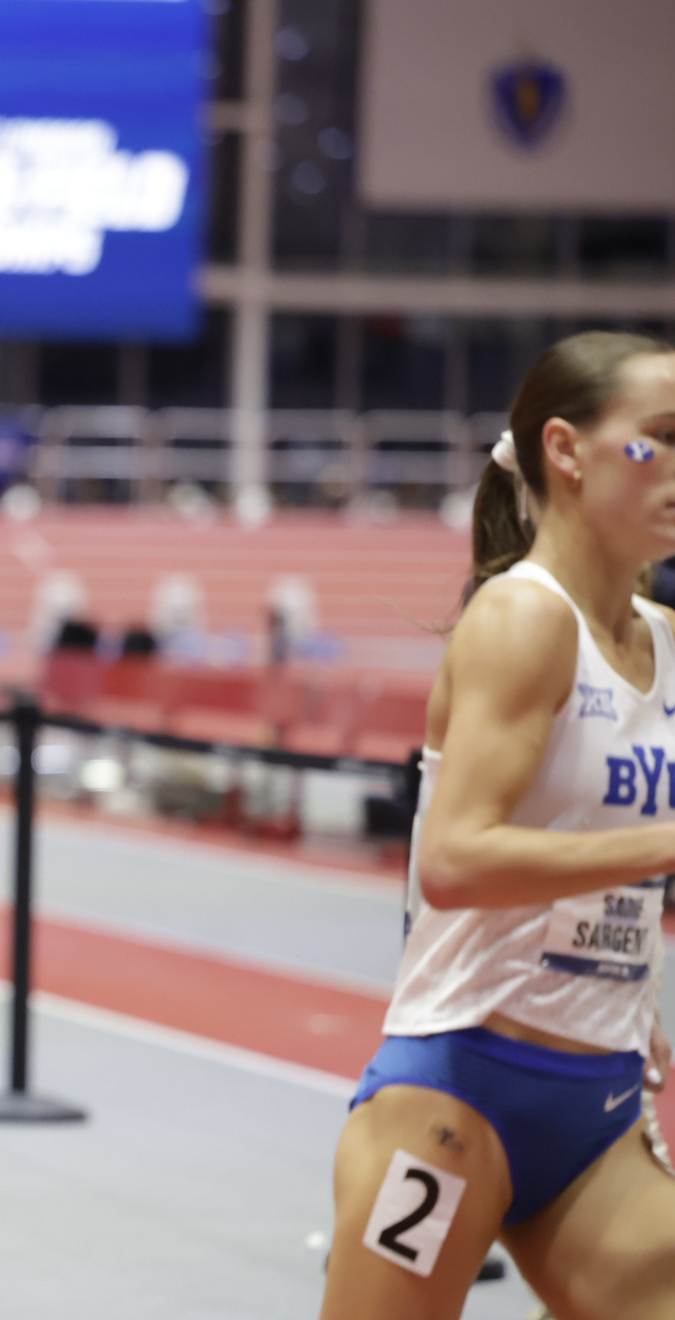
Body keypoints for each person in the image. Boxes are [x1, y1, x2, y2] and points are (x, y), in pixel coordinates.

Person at [321, 331, 675, 1319]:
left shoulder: (666, 642)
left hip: (597, 1110)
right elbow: (455, 859)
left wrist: (627, 978)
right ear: (567, 451)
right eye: (662, 438)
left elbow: (591, 831)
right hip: (457, 1100)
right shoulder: (523, 621)